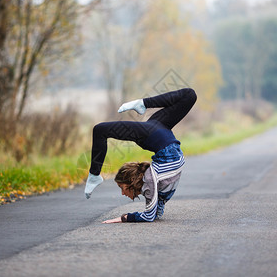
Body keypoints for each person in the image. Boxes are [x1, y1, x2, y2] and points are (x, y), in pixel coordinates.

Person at [84, 88, 197, 223]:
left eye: (122, 188)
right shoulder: (151, 186)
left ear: (131, 181)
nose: (122, 193)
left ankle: (94, 175)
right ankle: (142, 103)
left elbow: (152, 215)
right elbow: (152, 215)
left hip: (159, 138)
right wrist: (128, 217)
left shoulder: (151, 183)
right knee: (190, 95)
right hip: (159, 137)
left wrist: (124, 218)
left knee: (100, 130)